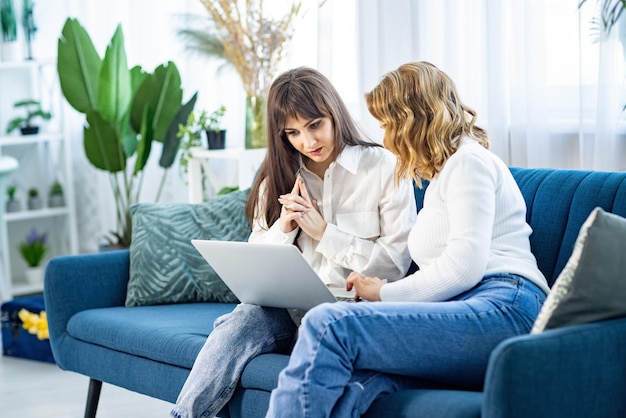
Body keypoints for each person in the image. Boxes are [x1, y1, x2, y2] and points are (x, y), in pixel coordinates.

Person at [264, 61, 552, 418]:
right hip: (463, 307)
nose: (384, 137)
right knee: (358, 387)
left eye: (387, 124)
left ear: (413, 120)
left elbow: (464, 268)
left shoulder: (469, 162)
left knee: (328, 323)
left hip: (504, 305)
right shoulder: (443, 176)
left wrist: (382, 294)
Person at [170, 66, 417, 418]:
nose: (308, 142)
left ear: (334, 112)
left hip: (349, 310)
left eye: (315, 125)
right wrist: (284, 228)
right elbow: (254, 267)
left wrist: (324, 234)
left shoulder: (381, 166)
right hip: (288, 310)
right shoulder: (279, 174)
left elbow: (394, 265)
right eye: (293, 133)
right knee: (239, 322)